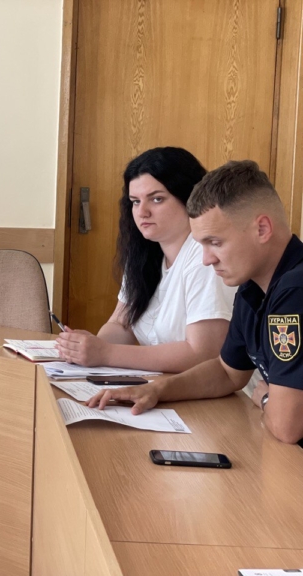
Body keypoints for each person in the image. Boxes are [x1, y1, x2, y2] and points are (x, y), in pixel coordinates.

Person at [88, 160, 303, 444]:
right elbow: (227, 372)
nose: (206, 259)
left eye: (216, 243)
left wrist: (265, 399)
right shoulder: (251, 287)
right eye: (201, 244)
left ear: (262, 229)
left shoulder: (294, 290)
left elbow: (288, 427)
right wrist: (157, 390)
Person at [56, 147, 236, 373]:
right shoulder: (145, 253)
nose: (142, 212)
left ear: (190, 199)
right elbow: (120, 324)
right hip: (164, 383)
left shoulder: (205, 256)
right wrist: (87, 348)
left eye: (157, 199)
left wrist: (105, 353)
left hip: (217, 391)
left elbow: (202, 353)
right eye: (135, 201)